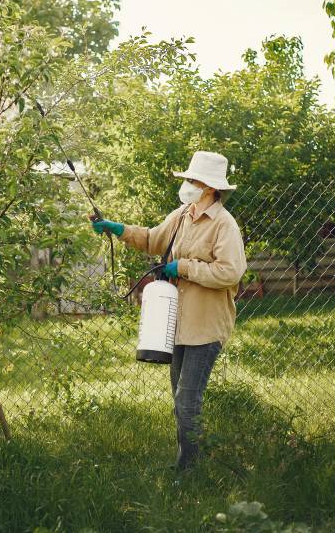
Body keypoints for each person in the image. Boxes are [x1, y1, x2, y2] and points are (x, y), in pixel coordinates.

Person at [91, 151, 247, 471]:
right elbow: (151, 239)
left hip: (206, 326)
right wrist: (116, 228)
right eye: (188, 179)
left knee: (188, 400)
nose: (187, 185)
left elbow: (230, 272)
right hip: (177, 322)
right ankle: (187, 462)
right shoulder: (181, 215)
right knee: (180, 398)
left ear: (209, 187)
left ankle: (188, 469)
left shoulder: (223, 225)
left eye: (192, 180)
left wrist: (184, 267)